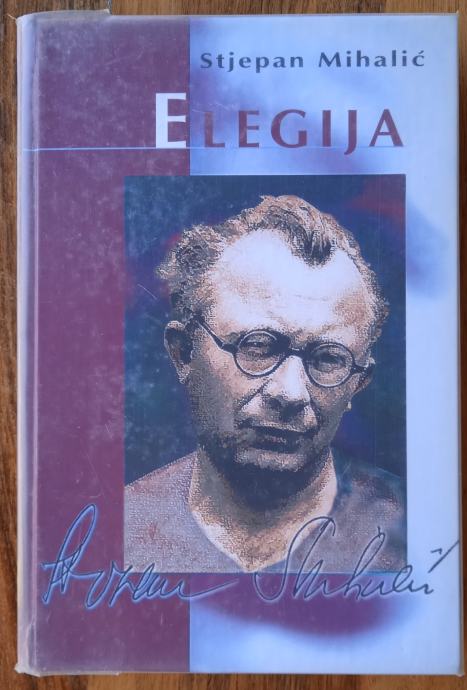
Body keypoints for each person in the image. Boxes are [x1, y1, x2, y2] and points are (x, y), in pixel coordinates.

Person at [124, 195, 405, 573]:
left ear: (357, 383)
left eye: (327, 359)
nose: (289, 393)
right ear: (184, 353)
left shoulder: (414, 535)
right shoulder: (118, 532)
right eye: (257, 346)